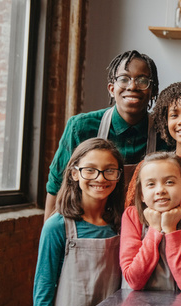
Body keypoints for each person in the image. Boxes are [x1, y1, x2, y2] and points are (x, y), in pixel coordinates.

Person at [44, 50, 164, 220]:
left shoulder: (165, 132)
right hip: (89, 227)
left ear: (153, 90)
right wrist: (49, 236)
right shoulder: (80, 127)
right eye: (124, 79)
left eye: (142, 80)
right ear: (111, 88)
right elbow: (56, 186)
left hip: (144, 231)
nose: (132, 86)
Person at [33, 138, 125, 306]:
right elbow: (43, 295)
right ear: (74, 173)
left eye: (109, 170)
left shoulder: (122, 224)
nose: (100, 178)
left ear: (119, 175)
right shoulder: (57, 226)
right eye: (90, 170)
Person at [120, 152, 181, 291]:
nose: (160, 190)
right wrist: (154, 229)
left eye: (169, 182)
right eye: (151, 184)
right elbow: (133, 281)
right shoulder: (132, 216)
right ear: (141, 194)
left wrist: (171, 229)